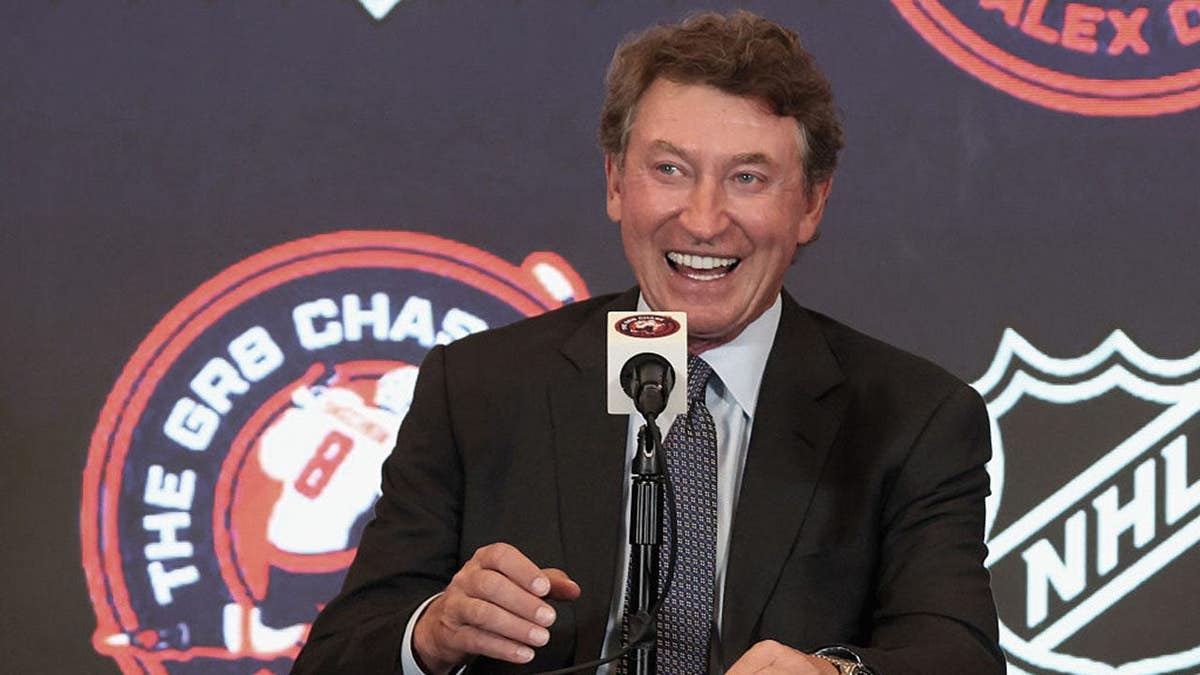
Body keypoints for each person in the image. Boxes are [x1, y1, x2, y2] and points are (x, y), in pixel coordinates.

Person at [292, 10, 1003, 675]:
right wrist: (433, 630)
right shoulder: (477, 389)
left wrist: (835, 673)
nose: (702, 220)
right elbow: (336, 655)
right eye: (669, 170)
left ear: (811, 202)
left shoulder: (913, 419)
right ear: (614, 183)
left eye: (748, 178)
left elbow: (956, 654)